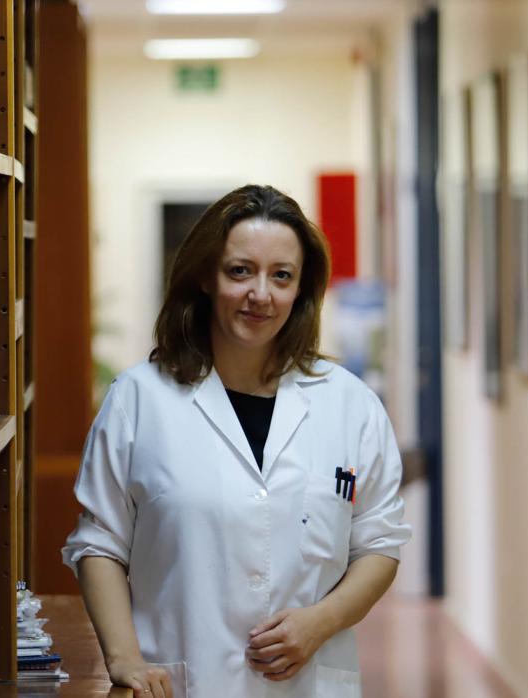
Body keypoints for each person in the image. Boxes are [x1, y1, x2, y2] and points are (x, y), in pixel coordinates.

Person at [62, 185, 411, 698]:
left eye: (281, 276)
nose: (261, 295)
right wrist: (124, 657)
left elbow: (379, 543)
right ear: (206, 276)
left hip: (309, 684)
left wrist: (321, 622)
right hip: (185, 682)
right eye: (240, 271)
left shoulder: (349, 405)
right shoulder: (140, 399)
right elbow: (100, 544)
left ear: (301, 289)